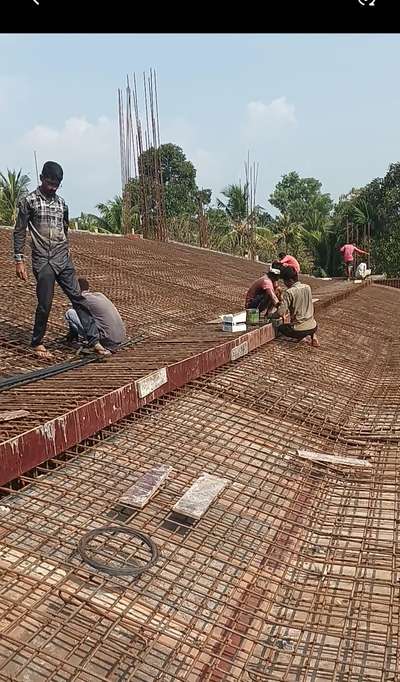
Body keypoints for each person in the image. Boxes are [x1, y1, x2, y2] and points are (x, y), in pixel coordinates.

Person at [13, 161, 111, 359]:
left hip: (62, 258)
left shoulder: (62, 204)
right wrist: (19, 260)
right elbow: (19, 231)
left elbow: (64, 229)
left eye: (56, 184)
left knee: (78, 298)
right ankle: (38, 342)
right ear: (41, 178)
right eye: (50, 183)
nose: (52, 187)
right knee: (45, 303)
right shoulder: (29, 201)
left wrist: (66, 251)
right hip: (43, 260)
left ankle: (94, 341)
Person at [65, 278, 126, 351]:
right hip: (121, 337)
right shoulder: (100, 295)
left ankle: (89, 341)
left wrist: (70, 337)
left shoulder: (82, 299)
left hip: (107, 340)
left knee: (70, 313)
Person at [275, 266, 320, 347]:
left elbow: (280, 312)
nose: (285, 284)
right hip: (313, 326)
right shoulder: (307, 287)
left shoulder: (289, 292)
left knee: (281, 328)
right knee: (308, 319)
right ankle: (313, 336)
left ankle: (302, 338)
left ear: (290, 280)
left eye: (285, 281)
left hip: (299, 329)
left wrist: (271, 315)